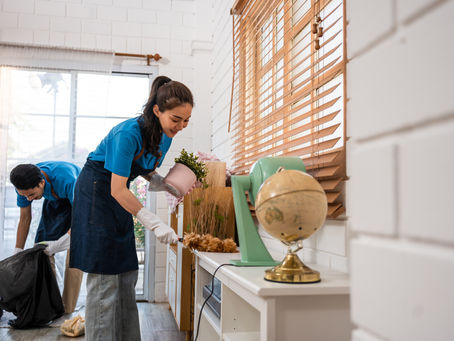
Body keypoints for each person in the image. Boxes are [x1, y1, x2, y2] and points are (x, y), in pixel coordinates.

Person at [69, 76, 193, 340]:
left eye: (186, 121)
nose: (181, 126)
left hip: (117, 196)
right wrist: (155, 222)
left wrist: (162, 182)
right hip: (96, 193)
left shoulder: (166, 135)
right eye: (176, 119)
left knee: (126, 273)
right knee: (105, 276)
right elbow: (116, 189)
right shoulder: (127, 134)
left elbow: (144, 168)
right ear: (158, 110)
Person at [10, 161, 83, 314]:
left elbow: (80, 220)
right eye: (24, 195)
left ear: (42, 183)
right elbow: (24, 219)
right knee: (41, 249)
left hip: (80, 198)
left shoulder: (67, 179)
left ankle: (67, 308)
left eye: (31, 195)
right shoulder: (23, 186)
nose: (28, 199)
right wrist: (18, 251)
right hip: (55, 200)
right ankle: (50, 303)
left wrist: (61, 243)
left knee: (76, 248)